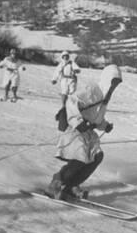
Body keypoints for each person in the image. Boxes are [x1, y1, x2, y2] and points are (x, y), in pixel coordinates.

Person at [47, 64, 122, 201]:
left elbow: (95, 117)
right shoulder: (92, 89)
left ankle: (71, 185)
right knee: (81, 157)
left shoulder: (105, 96)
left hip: (87, 132)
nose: (114, 85)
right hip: (75, 129)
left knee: (97, 156)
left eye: (117, 82)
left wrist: (104, 125)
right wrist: (78, 122)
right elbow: (72, 101)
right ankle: (57, 183)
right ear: (107, 79)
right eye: (113, 81)